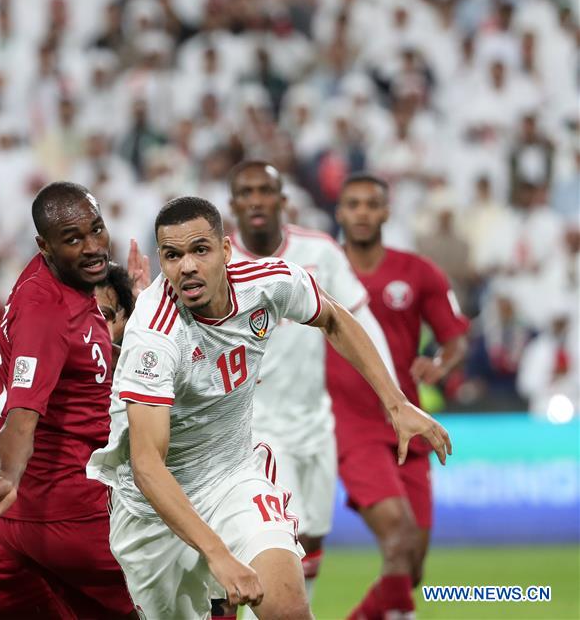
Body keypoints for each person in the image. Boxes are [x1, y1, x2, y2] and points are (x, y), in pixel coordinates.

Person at [86, 196, 452, 619]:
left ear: (226, 250)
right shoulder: (154, 335)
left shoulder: (268, 283)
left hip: (233, 477)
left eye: (199, 250)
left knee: (289, 610)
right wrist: (218, 554)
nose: (186, 266)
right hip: (153, 511)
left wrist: (396, 402)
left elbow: (333, 317)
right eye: (172, 255)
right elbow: (148, 464)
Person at [0, 258, 136, 619]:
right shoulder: (62, 356)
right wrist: (142, 323)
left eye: (105, 316)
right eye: (89, 313)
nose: (93, 325)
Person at [0, 182, 136, 618]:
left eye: (97, 230)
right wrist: (8, 478)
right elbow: (21, 414)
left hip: (51, 514)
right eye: (74, 239)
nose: (94, 248)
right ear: (45, 245)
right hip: (71, 510)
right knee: (193, 585)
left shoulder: (65, 284)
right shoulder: (46, 313)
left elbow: (85, 364)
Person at [226, 161, 396, 603]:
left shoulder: (319, 252)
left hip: (315, 422)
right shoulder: (218, 262)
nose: (257, 200)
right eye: (247, 193)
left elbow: (361, 319)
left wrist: (392, 396)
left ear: (283, 200)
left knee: (315, 536)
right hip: (257, 426)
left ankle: (302, 609)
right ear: (233, 205)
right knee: (284, 533)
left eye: (266, 190)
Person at [328, 173, 469, 620]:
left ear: (386, 212)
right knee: (399, 539)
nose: (363, 212)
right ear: (340, 212)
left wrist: (441, 364)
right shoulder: (320, 273)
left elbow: (455, 339)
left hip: (409, 420)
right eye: (354, 204)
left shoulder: (419, 272)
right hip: (350, 425)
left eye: (372, 204)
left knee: (412, 568)